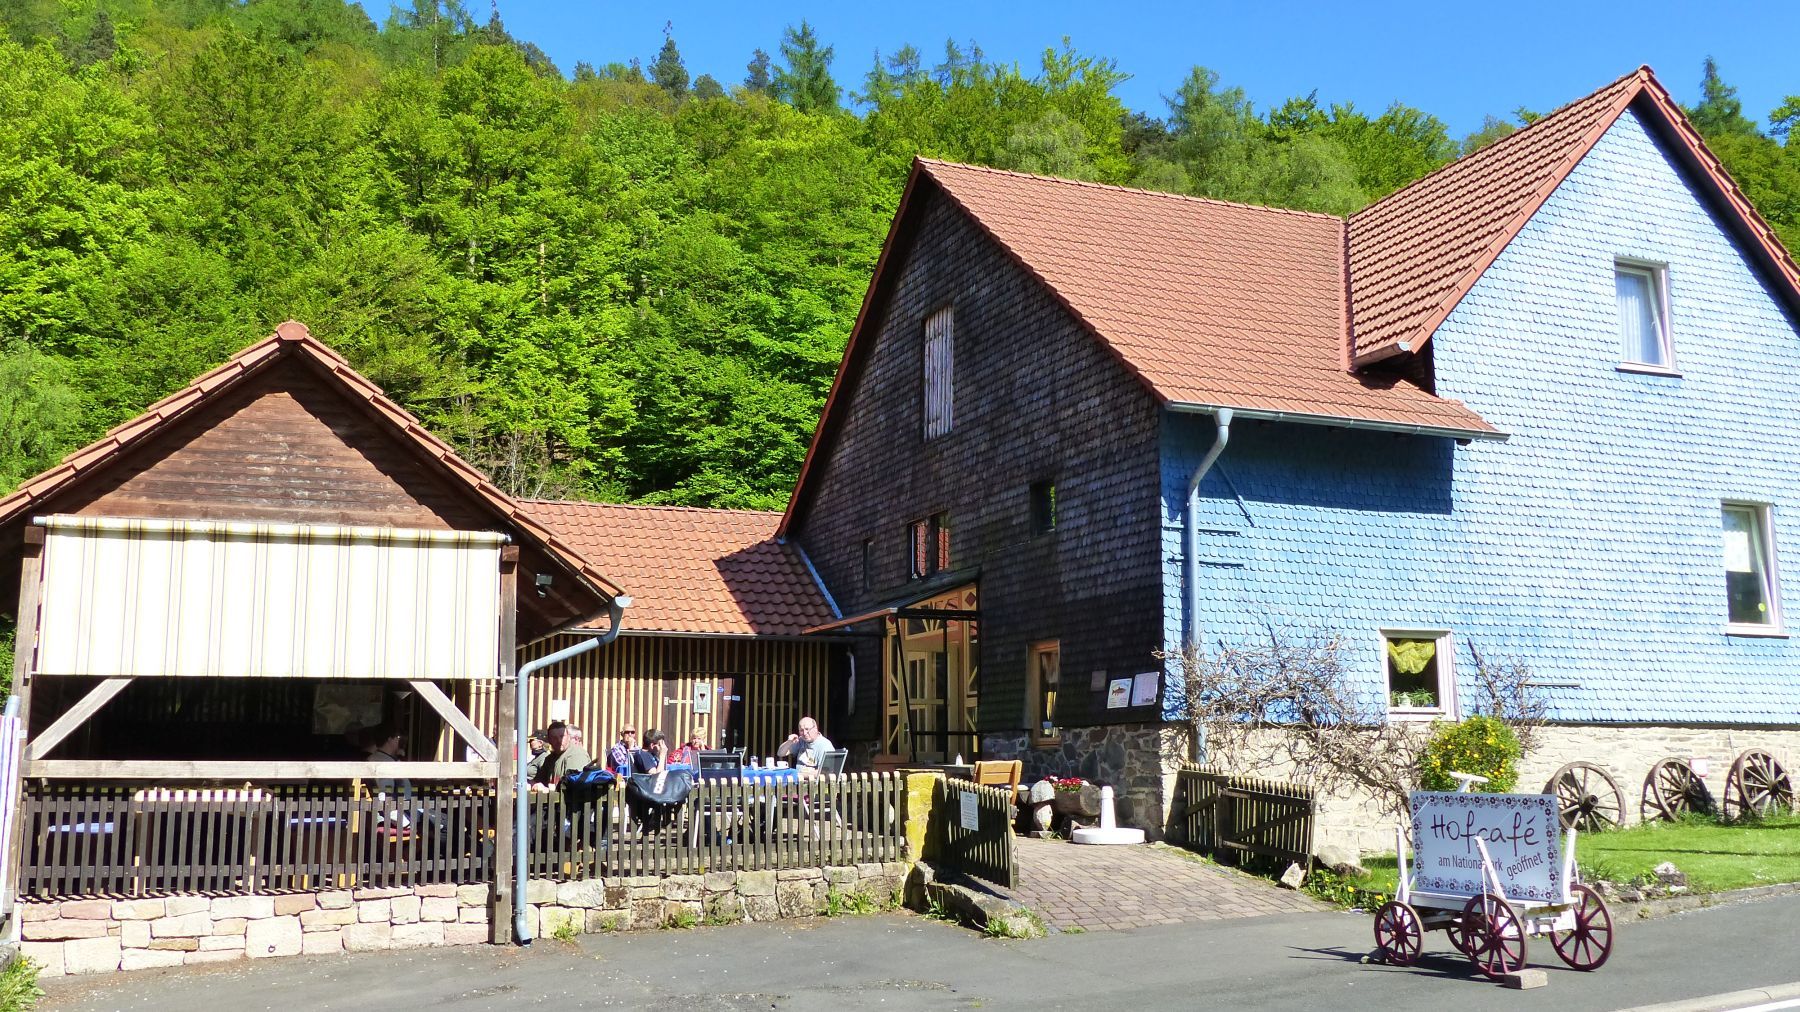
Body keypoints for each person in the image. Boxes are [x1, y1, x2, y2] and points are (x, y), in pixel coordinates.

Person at [531, 721, 593, 790]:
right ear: (549, 740)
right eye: (554, 737)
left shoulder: (576, 754)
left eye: (562, 736)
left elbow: (575, 787)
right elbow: (539, 781)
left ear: (568, 737)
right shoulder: (550, 759)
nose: (559, 740)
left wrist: (545, 790)